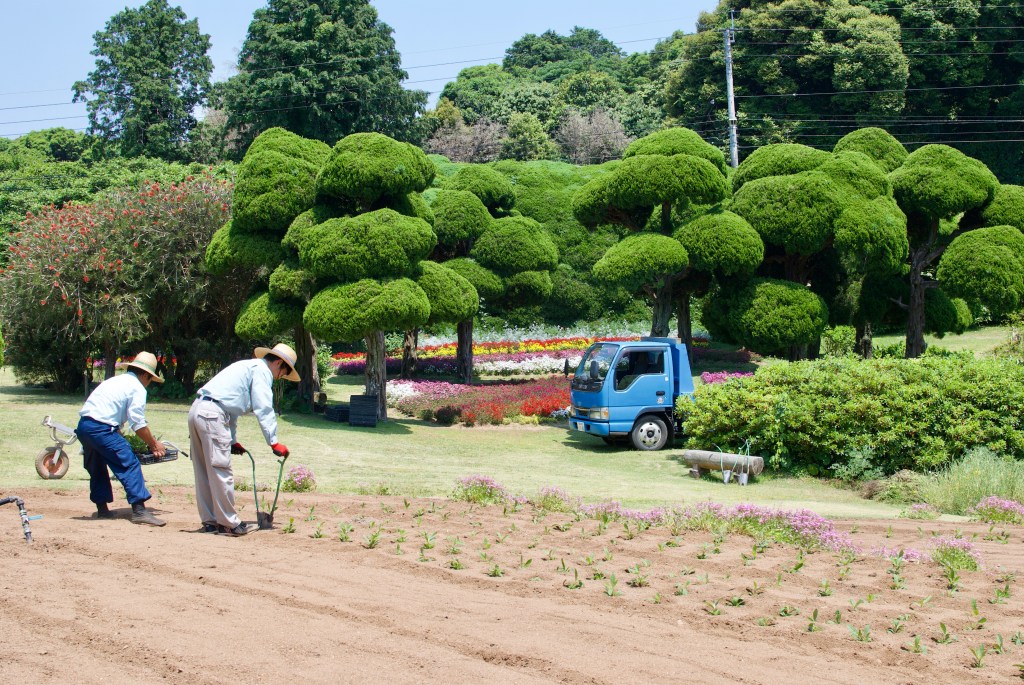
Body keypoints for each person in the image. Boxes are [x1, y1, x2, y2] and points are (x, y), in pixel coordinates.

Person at [188, 343, 299, 536]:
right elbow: (263, 407)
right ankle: (229, 523)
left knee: (204, 469)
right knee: (221, 469)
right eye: (283, 372)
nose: (280, 376)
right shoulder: (262, 372)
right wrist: (273, 442)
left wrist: (232, 441)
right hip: (213, 415)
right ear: (279, 363)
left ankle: (210, 521)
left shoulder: (248, 366)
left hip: (198, 410)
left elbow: (230, 409)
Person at [76, 351, 167, 526]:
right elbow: (138, 423)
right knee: (129, 463)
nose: (148, 384)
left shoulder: (114, 381)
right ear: (146, 375)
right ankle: (139, 510)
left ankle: (102, 509)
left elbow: (105, 410)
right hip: (102, 429)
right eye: (150, 380)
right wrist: (154, 444)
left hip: (84, 426)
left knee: (97, 466)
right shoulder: (137, 388)